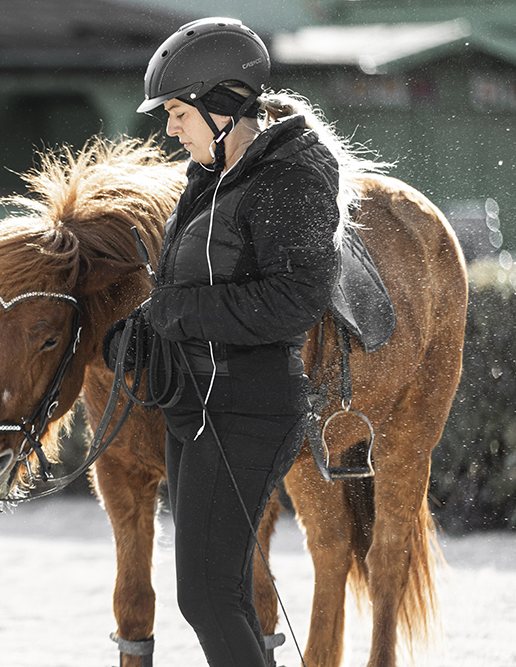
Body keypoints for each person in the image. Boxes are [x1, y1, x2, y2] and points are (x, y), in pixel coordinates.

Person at [128, 16, 384, 667]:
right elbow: (179, 289)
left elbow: (290, 304)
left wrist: (179, 313)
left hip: (246, 408)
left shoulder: (289, 179)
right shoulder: (210, 177)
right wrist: (140, 332)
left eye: (179, 112)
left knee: (211, 598)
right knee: (212, 596)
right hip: (196, 405)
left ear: (222, 109)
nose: (170, 128)